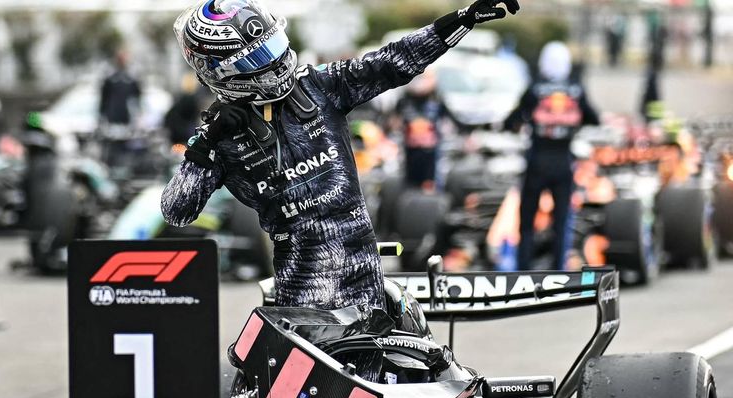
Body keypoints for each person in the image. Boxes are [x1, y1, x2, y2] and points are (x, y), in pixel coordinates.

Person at [162, 0, 520, 310]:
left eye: (271, 46)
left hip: (363, 267)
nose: (273, 61)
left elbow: (393, 60)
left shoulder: (320, 86)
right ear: (219, 70)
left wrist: (463, 19)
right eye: (257, 57)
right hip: (302, 282)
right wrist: (206, 145)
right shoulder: (218, 138)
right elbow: (177, 211)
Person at [504, 42, 599, 271]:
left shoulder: (535, 88)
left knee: (526, 222)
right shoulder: (576, 89)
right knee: (561, 222)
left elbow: (512, 120)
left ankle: (523, 268)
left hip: (537, 160)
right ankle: (558, 270)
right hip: (563, 162)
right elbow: (594, 118)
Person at [394, 70, 457, 192]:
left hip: (431, 151)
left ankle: (430, 194)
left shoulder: (437, 99)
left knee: (430, 181)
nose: (420, 83)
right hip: (410, 149)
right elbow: (392, 122)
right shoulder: (404, 100)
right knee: (411, 180)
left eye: (424, 79)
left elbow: (452, 120)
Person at [99, 50, 142, 166]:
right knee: (112, 149)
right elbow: (104, 100)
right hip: (112, 120)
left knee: (126, 150)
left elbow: (137, 99)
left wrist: (137, 118)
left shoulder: (131, 79)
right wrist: (102, 118)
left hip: (126, 121)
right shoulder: (110, 79)